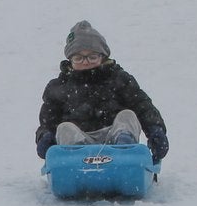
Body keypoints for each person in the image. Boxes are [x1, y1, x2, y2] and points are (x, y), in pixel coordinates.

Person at [35, 21, 169, 162]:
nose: (85, 62)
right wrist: (45, 136)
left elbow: (143, 106)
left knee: (127, 116)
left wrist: (155, 129)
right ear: (70, 60)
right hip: (80, 145)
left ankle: (123, 153)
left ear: (103, 57)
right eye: (78, 58)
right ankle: (76, 159)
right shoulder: (58, 87)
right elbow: (48, 122)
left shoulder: (119, 79)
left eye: (92, 57)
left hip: (113, 139)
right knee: (64, 128)